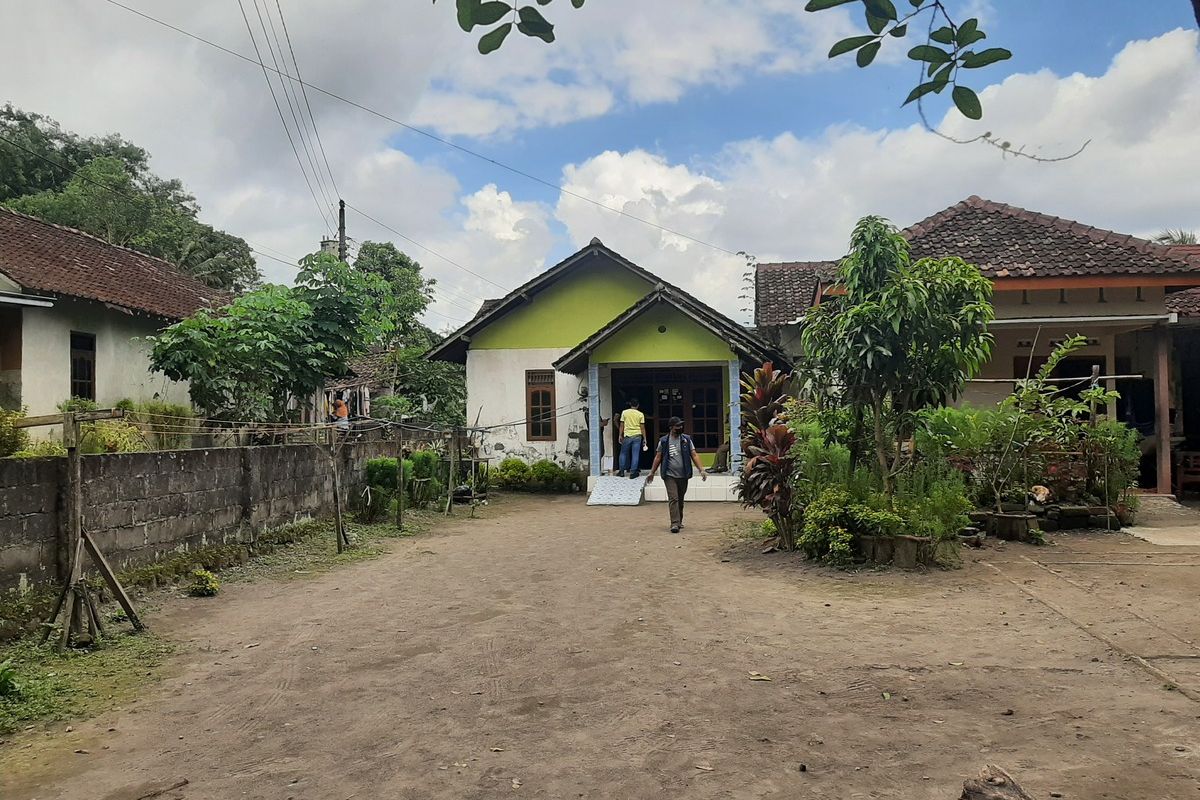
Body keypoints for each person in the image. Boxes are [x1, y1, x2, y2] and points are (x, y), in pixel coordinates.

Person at [646, 416, 707, 533]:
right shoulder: (664, 441)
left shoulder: (686, 440)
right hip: (669, 474)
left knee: (680, 499)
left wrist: (701, 469)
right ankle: (674, 523)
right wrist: (652, 472)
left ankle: (679, 521)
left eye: (681, 426)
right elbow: (658, 457)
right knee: (673, 498)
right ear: (671, 428)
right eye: (677, 426)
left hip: (683, 475)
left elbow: (694, 454)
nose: (680, 428)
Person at [617, 397, 647, 478]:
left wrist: (620, 435)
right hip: (637, 436)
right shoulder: (640, 414)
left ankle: (621, 471)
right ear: (638, 405)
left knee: (623, 453)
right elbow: (642, 427)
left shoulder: (624, 412)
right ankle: (633, 472)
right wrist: (645, 438)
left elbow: (621, 425)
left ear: (630, 404)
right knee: (635, 454)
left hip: (627, 435)